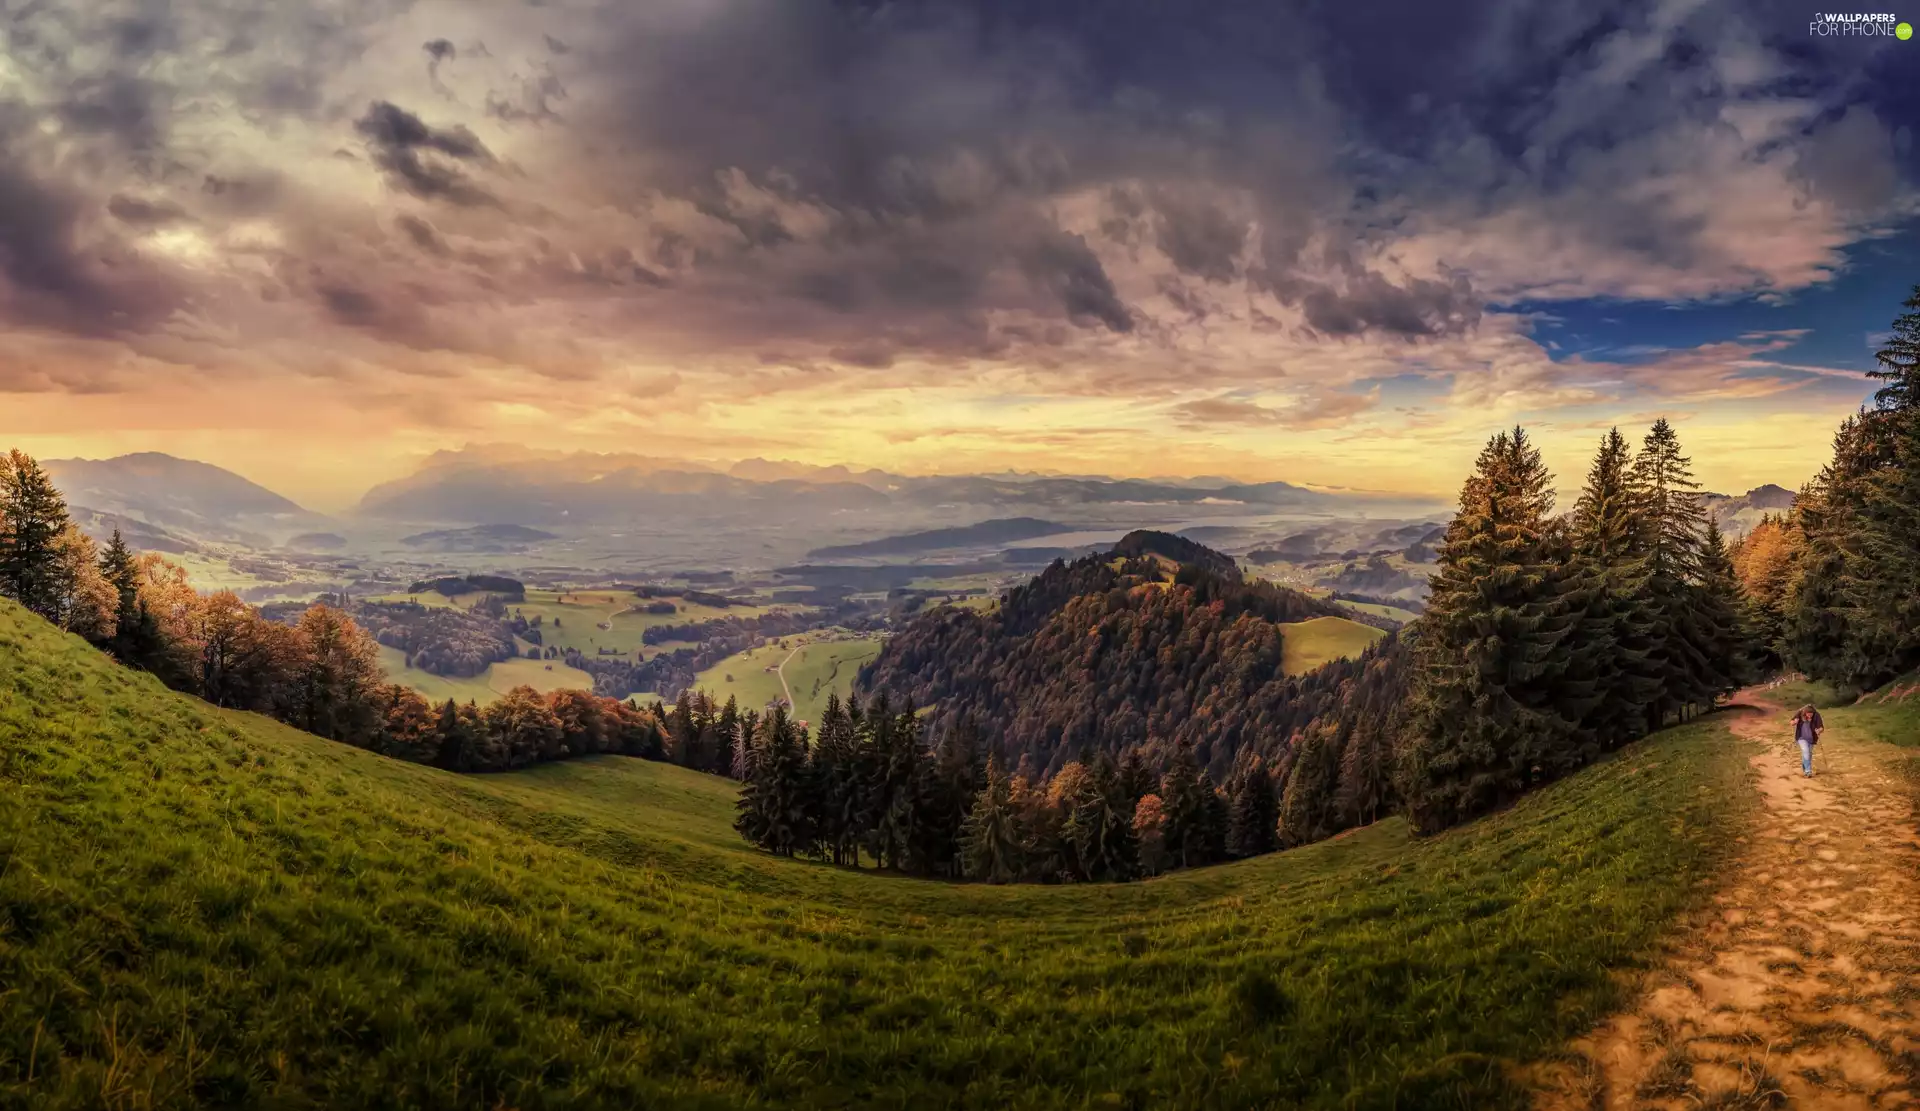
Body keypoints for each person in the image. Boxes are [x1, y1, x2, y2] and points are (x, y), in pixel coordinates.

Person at [1792, 704, 1824, 778]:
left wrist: (1819, 730)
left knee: (1808, 754)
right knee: (1805, 751)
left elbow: (1821, 727)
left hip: (1811, 738)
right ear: (1805, 713)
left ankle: (1805, 769)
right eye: (1808, 714)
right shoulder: (1799, 713)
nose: (1810, 716)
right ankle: (1808, 771)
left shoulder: (1816, 715)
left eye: (1811, 715)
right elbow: (1791, 722)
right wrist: (1795, 722)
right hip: (1801, 737)